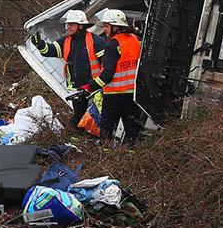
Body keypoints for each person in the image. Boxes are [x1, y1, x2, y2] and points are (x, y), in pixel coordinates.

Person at [31, 9, 106, 128]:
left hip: (94, 89)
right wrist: (40, 44)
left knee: (94, 118)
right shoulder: (66, 41)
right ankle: (83, 139)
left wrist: (98, 84)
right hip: (76, 89)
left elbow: (106, 66)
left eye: (71, 24)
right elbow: (49, 50)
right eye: (67, 24)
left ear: (81, 25)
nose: (68, 27)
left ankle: (95, 140)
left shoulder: (97, 41)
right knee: (80, 116)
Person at [92, 9, 142, 144]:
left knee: (106, 131)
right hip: (133, 94)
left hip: (114, 94)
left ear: (116, 26)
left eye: (107, 26)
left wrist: (91, 87)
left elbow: (107, 74)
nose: (104, 29)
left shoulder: (112, 44)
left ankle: (105, 157)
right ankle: (132, 156)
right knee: (132, 130)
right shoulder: (134, 40)